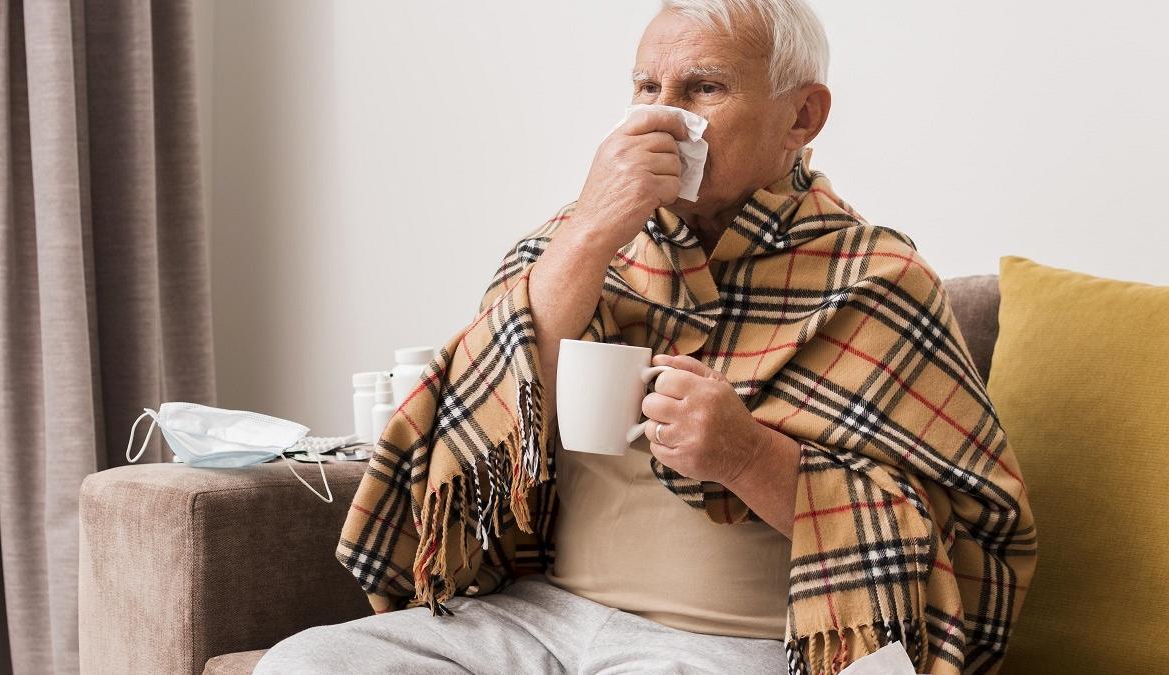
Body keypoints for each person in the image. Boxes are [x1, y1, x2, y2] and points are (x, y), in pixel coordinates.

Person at [257, 1, 1036, 673]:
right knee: (305, 662)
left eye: (705, 87)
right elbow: (467, 434)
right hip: (539, 616)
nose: (663, 116)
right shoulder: (570, 243)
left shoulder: (879, 277)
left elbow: (961, 537)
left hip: (729, 643)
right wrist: (593, 228)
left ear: (803, 115)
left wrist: (748, 455)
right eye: (645, 88)